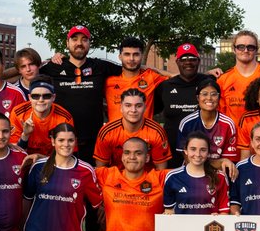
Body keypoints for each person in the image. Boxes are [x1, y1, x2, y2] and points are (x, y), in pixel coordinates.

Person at [22, 123, 104, 231]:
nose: (65, 144)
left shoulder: (85, 170)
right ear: (52, 141)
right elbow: (26, 200)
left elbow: (99, 206)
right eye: (61, 140)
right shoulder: (39, 167)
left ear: (75, 142)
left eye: (70, 140)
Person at [38, 25, 123, 165]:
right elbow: (25, 69)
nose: (79, 43)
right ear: (67, 43)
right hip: (62, 141)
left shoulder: (100, 66)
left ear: (89, 44)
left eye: (84, 39)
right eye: (74, 39)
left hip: (93, 142)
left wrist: (169, 76)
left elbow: (131, 67)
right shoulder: (53, 66)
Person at [155, 43, 214, 166]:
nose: (188, 62)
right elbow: (152, 111)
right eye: (184, 59)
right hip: (172, 153)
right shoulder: (165, 86)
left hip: (202, 153)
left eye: (192, 59)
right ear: (177, 62)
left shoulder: (209, 83)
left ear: (198, 61)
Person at [93, 88, 171, 169]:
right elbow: (101, 170)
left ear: (145, 107)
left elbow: (161, 171)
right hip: (116, 179)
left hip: (147, 179)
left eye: (138, 106)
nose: (133, 110)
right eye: (128, 105)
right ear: (121, 108)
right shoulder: (107, 132)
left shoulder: (156, 132)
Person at [176, 79, 239, 176]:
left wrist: (222, 162)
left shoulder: (228, 124)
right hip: (191, 174)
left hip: (218, 175)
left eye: (214, 94)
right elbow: (189, 159)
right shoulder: (186, 123)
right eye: (204, 94)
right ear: (198, 97)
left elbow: (227, 163)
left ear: (219, 97)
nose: (209, 98)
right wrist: (219, 162)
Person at [163, 132, 230, 214]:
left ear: (208, 152)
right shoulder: (173, 177)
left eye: (203, 150)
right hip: (182, 226)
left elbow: (224, 212)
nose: (198, 154)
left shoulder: (220, 177)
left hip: (209, 226)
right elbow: (169, 212)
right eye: (193, 149)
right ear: (185, 151)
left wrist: (219, 218)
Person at [216, 30, 260, 124]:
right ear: (234, 49)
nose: (246, 50)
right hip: (233, 137)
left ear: (256, 50)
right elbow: (219, 116)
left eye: (250, 47)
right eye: (241, 47)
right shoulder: (223, 80)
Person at [105, 37, 167, 121]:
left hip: (144, 133)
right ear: (120, 57)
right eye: (127, 54)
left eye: (136, 54)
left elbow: (181, 78)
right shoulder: (108, 81)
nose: (131, 59)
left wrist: (156, 69)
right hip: (115, 133)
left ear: (141, 56)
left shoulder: (151, 76)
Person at [10, 78, 75, 157]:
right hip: (24, 161)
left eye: (46, 96)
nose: (41, 100)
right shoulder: (18, 113)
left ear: (53, 97)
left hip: (53, 163)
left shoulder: (64, 117)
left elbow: (67, 154)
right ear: (29, 97)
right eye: (35, 96)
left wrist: (40, 158)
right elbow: (15, 153)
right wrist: (25, 135)